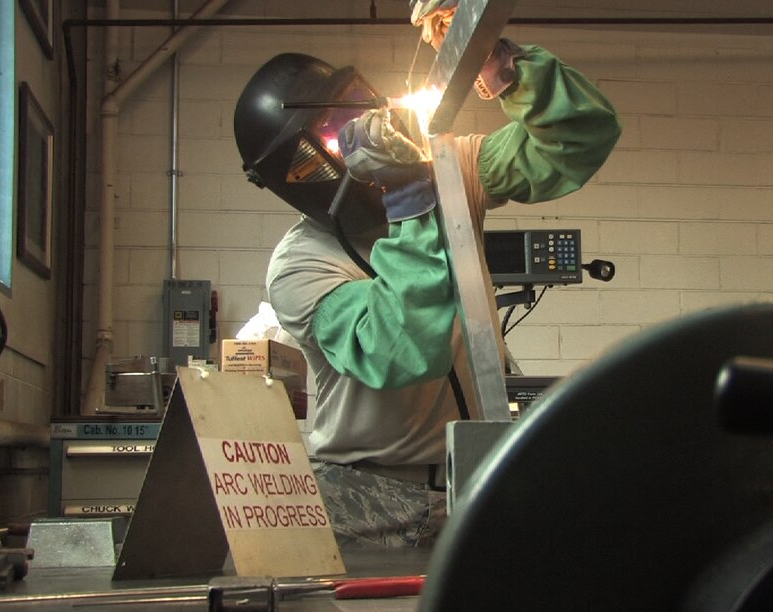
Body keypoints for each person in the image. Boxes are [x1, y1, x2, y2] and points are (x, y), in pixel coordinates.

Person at [233, 1, 620, 549]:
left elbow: (580, 138)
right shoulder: (301, 266)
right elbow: (403, 350)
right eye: (335, 129)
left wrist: (498, 67)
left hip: (474, 480)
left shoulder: (445, 169)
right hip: (368, 503)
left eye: (355, 109)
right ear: (302, 168)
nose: (358, 128)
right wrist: (411, 199)